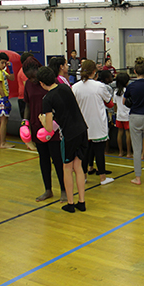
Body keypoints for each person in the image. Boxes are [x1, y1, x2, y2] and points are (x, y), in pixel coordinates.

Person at [37, 66, 88, 213]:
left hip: (69, 135)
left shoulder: (47, 99)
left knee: (67, 168)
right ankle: (81, 202)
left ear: (41, 83)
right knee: (78, 167)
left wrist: (42, 120)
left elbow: (48, 128)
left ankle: (71, 203)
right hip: (82, 130)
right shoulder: (65, 88)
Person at [23, 58, 66, 202]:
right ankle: (48, 189)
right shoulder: (28, 84)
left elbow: (61, 104)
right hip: (37, 126)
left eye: (34, 76)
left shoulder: (52, 82)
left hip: (52, 127)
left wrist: (56, 123)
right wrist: (25, 123)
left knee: (58, 160)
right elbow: (28, 105)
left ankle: (64, 190)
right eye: (29, 77)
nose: (32, 80)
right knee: (43, 159)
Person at [72, 60, 115, 186]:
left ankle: (83, 176)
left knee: (84, 152)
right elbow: (110, 103)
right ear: (94, 72)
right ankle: (102, 177)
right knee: (99, 152)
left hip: (82, 125)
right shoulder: (99, 86)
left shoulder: (75, 87)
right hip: (97, 123)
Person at [0, 52, 15, 149]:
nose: (3, 65)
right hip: (1, 98)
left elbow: (12, 78)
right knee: (3, 121)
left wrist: (10, 69)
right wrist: (5, 99)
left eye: (5, 63)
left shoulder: (2, 71)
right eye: (2, 62)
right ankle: (2, 142)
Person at [113, 72, 133, 158]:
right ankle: (129, 152)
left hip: (119, 115)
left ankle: (120, 151)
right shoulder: (128, 91)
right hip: (127, 115)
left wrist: (115, 113)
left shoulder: (116, 91)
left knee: (120, 133)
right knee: (128, 133)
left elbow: (114, 104)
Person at [17, 52, 33, 121]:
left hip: (24, 98)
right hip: (24, 99)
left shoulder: (25, 70)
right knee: (27, 119)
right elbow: (27, 86)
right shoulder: (24, 72)